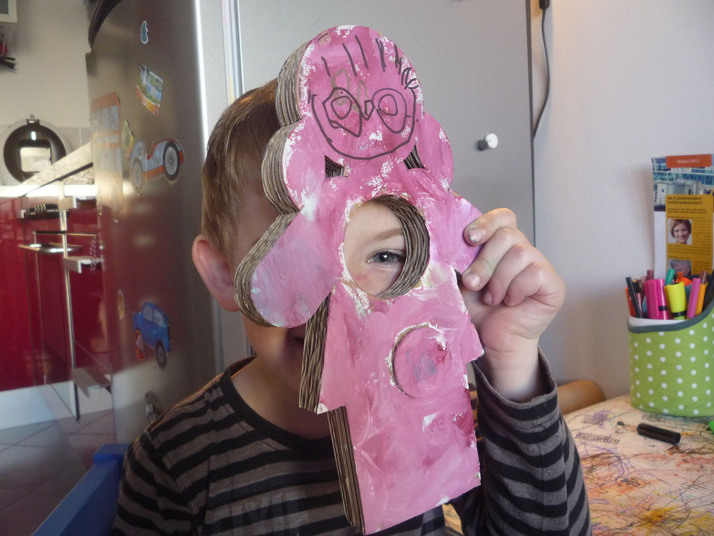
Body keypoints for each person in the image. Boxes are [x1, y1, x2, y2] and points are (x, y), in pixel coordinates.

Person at [112, 80, 591, 535]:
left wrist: (511, 357)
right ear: (224, 274)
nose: (341, 303)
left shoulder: (436, 409)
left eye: (384, 257)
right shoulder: (174, 463)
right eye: (294, 257)